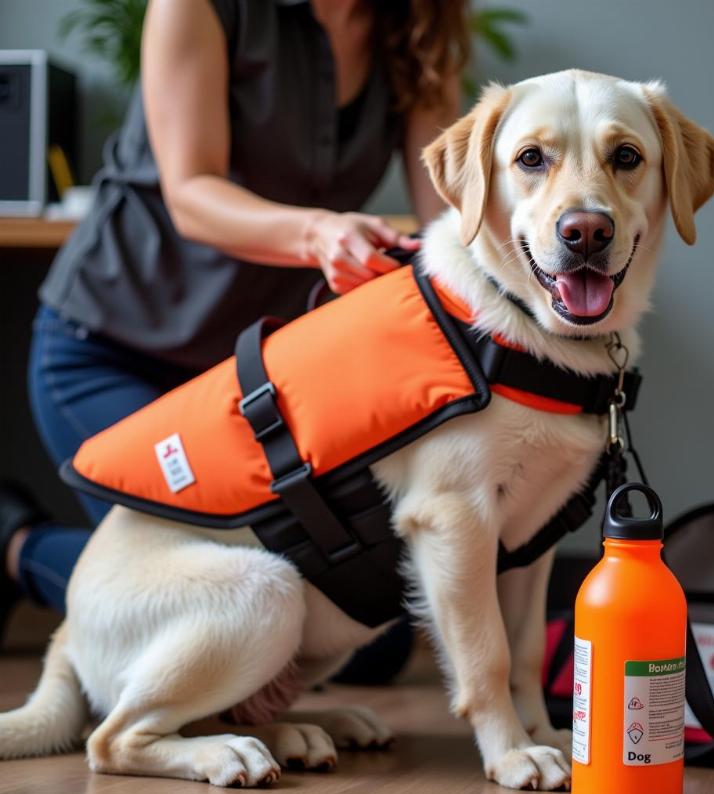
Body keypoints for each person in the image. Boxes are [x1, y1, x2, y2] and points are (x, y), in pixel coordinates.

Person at [0, 0, 469, 654]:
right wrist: (321, 231)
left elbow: (452, 221)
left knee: (377, 645)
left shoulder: (418, 22)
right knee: (211, 591)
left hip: (245, 387)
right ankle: (15, 546)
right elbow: (192, 193)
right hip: (108, 350)